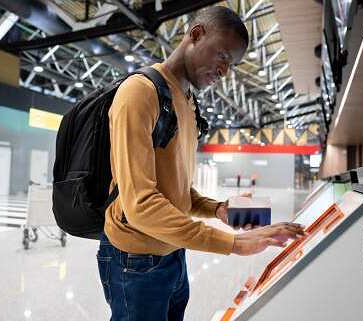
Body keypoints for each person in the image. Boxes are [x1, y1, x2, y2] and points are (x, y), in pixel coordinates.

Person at [98, 6, 306, 321]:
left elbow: (176, 189)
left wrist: (217, 210)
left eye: (232, 64)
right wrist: (233, 243)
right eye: (223, 56)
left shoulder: (187, 102)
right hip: (136, 260)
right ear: (196, 35)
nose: (225, 71)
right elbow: (140, 203)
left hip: (173, 251)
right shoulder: (140, 94)